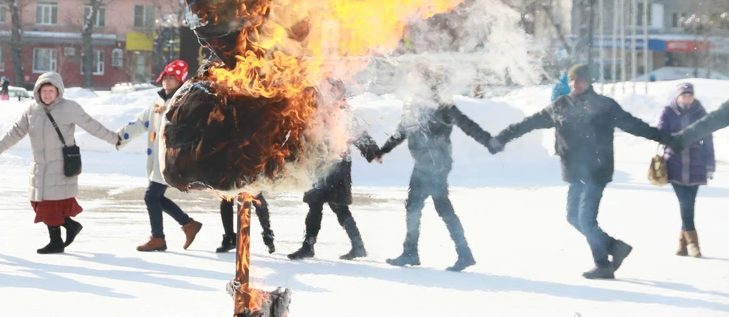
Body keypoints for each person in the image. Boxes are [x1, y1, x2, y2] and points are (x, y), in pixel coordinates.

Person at [493, 63, 670, 279]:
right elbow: (530, 123)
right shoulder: (561, 105)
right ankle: (614, 247)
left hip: (597, 169)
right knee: (573, 217)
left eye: (580, 79)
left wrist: (664, 137)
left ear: (590, 81)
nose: (575, 84)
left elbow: (634, 125)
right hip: (575, 170)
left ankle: (603, 264)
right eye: (572, 80)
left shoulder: (604, 105)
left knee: (586, 219)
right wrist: (503, 137)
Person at [0, 71, 120, 254]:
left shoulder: (69, 107)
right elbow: (15, 132)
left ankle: (56, 241)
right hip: (40, 165)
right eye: (44, 90)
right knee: (38, 202)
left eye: (51, 90)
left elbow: (92, 125)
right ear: (37, 91)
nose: (47, 94)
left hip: (61, 164)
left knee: (51, 204)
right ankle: (70, 227)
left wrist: (115, 139)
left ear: (58, 91)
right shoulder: (32, 110)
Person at [376, 91, 503, 272]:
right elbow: (402, 130)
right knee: (415, 207)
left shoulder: (443, 105)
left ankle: (462, 253)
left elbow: (468, 125)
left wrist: (488, 141)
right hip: (421, 164)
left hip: (437, 165)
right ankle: (414, 252)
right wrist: (384, 149)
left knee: (439, 207)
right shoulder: (413, 103)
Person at [115, 60, 203, 252]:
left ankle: (158, 238)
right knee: (156, 198)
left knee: (151, 197)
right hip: (157, 160)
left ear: (180, 81)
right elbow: (140, 122)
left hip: (171, 160)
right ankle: (188, 224)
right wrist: (119, 137)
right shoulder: (158, 102)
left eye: (173, 78)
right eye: (166, 77)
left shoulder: (182, 103)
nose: (167, 81)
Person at [287, 90, 380, 262]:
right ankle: (312, 246)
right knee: (318, 204)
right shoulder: (314, 110)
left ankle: (316, 246)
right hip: (319, 163)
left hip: (337, 164)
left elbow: (357, 132)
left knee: (336, 206)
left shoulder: (341, 110)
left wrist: (372, 151)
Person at [656, 82, 714, 257]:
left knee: (689, 204)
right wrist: (677, 139)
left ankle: (682, 246)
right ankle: (694, 244)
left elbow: (709, 140)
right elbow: (660, 133)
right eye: (684, 95)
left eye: (689, 95)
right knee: (685, 203)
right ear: (678, 96)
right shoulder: (668, 112)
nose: (687, 98)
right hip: (674, 164)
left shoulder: (700, 113)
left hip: (697, 164)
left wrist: (710, 165)